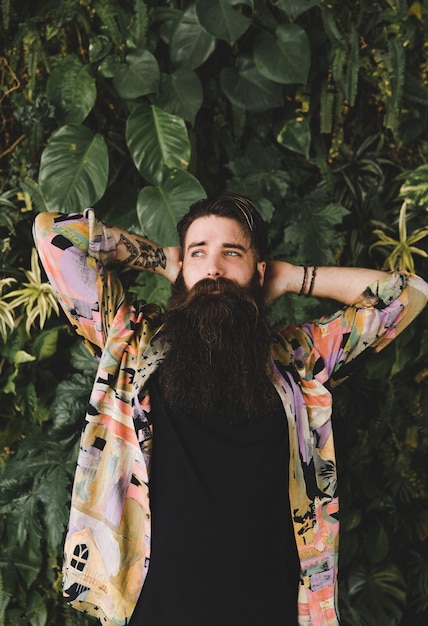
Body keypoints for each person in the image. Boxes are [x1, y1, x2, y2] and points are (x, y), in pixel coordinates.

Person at [33, 193, 428, 626]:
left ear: (259, 271)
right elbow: (54, 234)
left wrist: (292, 276)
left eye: (232, 253)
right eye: (198, 253)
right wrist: (164, 259)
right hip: (156, 613)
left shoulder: (298, 359)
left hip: (270, 613)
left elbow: (408, 294)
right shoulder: (132, 344)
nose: (214, 268)